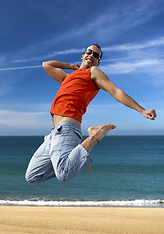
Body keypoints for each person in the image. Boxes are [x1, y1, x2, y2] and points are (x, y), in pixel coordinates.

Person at [25, 44, 156, 183]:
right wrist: (72, 66)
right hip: (53, 134)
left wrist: (142, 110)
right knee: (32, 176)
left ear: (98, 62)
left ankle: (94, 136)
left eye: (96, 55)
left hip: (67, 128)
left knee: (63, 174)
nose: (91, 56)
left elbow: (116, 91)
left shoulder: (93, 72)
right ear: (83, 55)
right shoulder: (67, 78)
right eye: (89, 52)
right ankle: (77, 159)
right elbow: (47, 65)